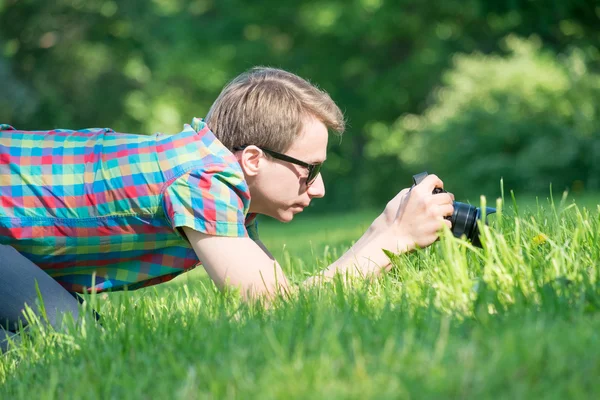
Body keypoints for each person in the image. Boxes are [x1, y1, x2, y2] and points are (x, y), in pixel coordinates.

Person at [0, 67, 454, 352]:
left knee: (61, 341)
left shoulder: (212, 172)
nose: (317, 190)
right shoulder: (202, 181)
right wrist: (392, 239)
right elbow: (277, 306)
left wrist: (380, 235)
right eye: (308, 170)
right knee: (74, 348)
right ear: (254, 158)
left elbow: (263, 305)